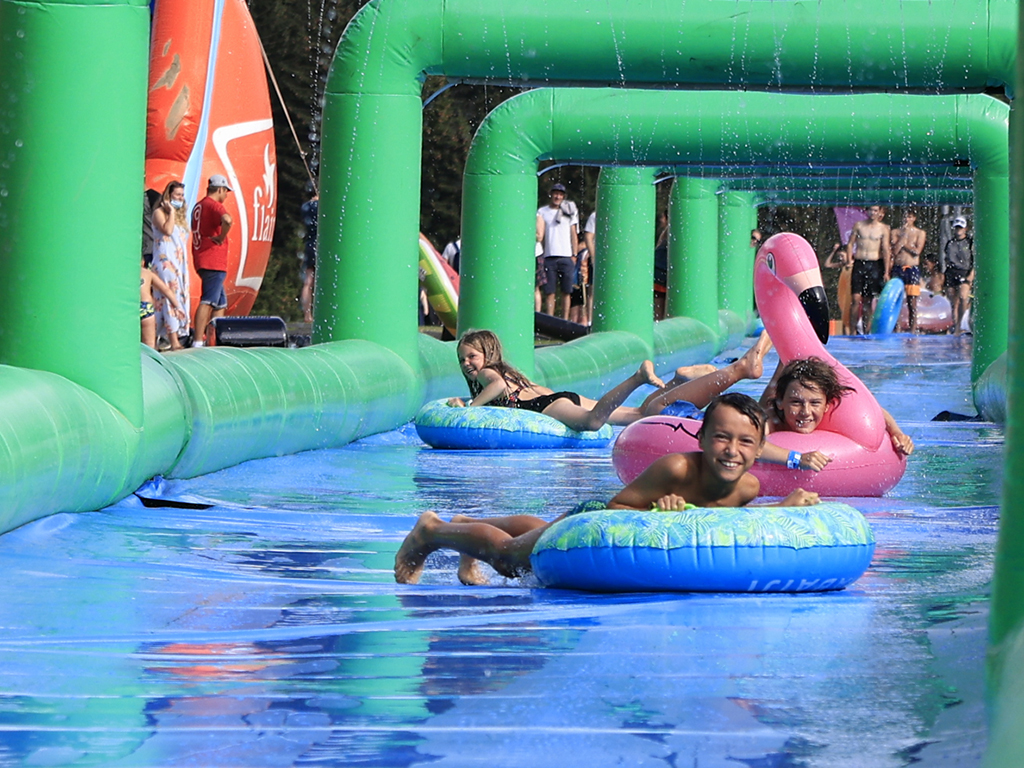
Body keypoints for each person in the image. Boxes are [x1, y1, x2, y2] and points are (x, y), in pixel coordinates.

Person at [394, 392, 820, 585]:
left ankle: (468, 525)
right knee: (512, 560)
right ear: (701, 438)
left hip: (603, 522)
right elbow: (616, 507)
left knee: (536, 531)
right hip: (596, 516)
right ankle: (432, 531)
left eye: (746, 442)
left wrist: (783, 505)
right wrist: (660, 508)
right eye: (721, 438)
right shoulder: (674, 468)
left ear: (761, 447)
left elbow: (727, 524)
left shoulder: (746, 487)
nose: (732, 450)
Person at [450, 329, 665, 431]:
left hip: (545, 406)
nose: (466, 363)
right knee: (635, 415)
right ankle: (674, 387)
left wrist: (470, 407)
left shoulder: (487, 373)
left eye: (472, 357)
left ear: (488, 354)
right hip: (556, 398)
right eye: (461, 359)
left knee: (592, 421)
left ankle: (637, 378)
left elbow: (497, 386)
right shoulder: (507, 371)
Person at [759, 356, 914, 456]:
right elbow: (752, 444)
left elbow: (874, 413)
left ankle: (783, 359)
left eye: (815, 403)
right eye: (796, 402)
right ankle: (782, 360)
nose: (805, 412)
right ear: (781, 403)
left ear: (827, 405)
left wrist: (897, 433)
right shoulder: (772, 421)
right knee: (761, 410)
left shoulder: (833, 410)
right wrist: (796, 458)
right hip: (768, 409)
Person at [190, 174, 233, 347]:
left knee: (220, 303)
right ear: (221, 189)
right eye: (226, 191)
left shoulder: (199, 205)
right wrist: (221, 237)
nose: (226, 195)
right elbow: (228, 220)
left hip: (201, 256)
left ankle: (214, 341)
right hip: (212, 260)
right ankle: (198, 341)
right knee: (208, 300)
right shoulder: (214, 205)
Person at [151, 180, 191, 350]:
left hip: (179, 264)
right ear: (169, 196)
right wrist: (171, 212)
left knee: (178, 298)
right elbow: (167, 230)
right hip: (165, 262)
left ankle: (164, 337)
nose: (180, 198)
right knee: (168, 299)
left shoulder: (182, 217)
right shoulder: (160, 213)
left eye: (182, 195)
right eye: (177, 195)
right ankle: (173, 340)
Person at [845, 205, 890, 334]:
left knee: (868, 301)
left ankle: (866, 330)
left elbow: (886, 250)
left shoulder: (883, 229)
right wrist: (849, 261)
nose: (872, 213)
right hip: (859, 263)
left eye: (875, 210)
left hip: (874, 264)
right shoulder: (859, 225)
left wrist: (886, 271)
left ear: (879, 212)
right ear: (866, 211)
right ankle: (852, 330)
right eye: (870, 210)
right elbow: (850, 244)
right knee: (855, 299)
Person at [537, 183, 578, 320]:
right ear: (551, 194)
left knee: (567, 291)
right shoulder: (542, 212)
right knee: (550, 292)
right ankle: (550, 321)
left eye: (560, 194)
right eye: (555, 193)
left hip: (566, 255)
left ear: (563, 196)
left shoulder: (570, 210)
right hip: (549, 256)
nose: (557, 196)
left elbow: (573, 233)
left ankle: (565, 321)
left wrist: (575, 254)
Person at [890, 210, 927, 334]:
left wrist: (903, 244)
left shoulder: (920, 233)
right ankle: (897, 328)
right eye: (905, 217)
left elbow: (917, 251)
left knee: (912, 301)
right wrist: (903, 237)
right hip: (898, 267)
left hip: (912, 268)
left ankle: (913, 329)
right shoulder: (895, 232)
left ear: (914, 218)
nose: (906, 219)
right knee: (896, 300)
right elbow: (894, 252)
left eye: (909, 217)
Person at [140, 259, 184, 350]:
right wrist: (177, 306)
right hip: (146, 306)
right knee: (150, 344)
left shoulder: (125, 275)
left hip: (131, 307)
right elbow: (166, 290)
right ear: (143, 262)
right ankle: (150, 359)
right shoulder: (148, 273)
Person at [943, 215, 974, 335]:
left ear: (965, 228)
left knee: (963, 297)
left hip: (965, 272)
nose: (958, 230)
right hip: (951, 272)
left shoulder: (970, 242)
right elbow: (947, 258)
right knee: (953, 301)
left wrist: (971, 275)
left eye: (961, 227)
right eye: (956, 227)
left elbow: (975, 260)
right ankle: (956, 326)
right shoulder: (950, 243)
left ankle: (961, 323)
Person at [822, 241, 852, 335]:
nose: (840, 259)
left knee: (849, 317)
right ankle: (846, 337)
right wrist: (834, 251)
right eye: (839, 257)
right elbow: (827, 264)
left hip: (850, 293)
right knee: (844, 317)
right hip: (843, 293)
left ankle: (851, 335)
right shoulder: (842, 265)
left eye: (842, 256)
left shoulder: (854, 265)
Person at [299, 193, 318, 323]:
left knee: (308, 282)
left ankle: (307, 315)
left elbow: (304, 210)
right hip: (324, 244)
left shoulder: (307, 206)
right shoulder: (324, 207)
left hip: (310, 244)